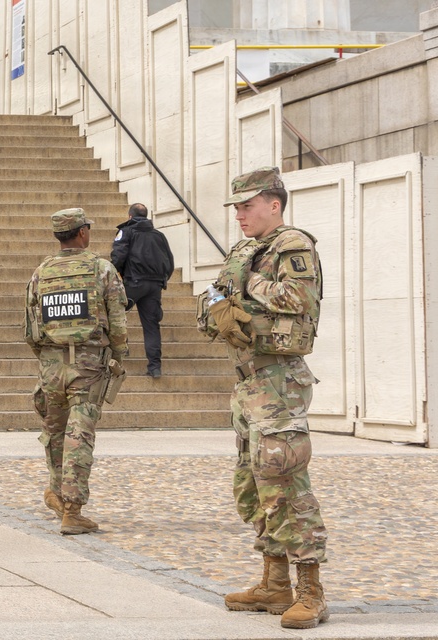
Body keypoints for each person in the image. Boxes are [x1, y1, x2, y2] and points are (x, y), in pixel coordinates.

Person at [200, 167, 328, 629]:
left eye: (247, 205)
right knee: (253, 485)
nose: (239, 214)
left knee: (286, 482)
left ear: (274, 204)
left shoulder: (294, 246)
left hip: (280, 382)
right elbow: (211, 297)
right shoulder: (244, 250)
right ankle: (275, 584)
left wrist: (242, 287)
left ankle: (311, 591)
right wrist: (219, 306)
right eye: (235, 207)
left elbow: (297, 299)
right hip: (248, 381)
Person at [24, 208, 128, 536]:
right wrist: (118, 354)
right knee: (79, 434)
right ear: (82, 233)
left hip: (51, 365)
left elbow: (30, 327)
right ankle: (72, 509)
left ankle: (56, 490)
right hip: (87, 363)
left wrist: (48, 358)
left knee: (55, 432)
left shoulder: (42, 272)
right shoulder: (101, 269)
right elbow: (118, 321)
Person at [110, 203, 174, 378]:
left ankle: (121, 352)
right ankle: (155, 367)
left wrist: (115, 277)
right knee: (151, 326)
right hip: (154, 286)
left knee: (114, 314)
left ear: (130, 216)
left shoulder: (127, 231)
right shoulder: (159, 236)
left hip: (133, 284)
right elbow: (169, 261)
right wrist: (161, 280)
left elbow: (118, 256)